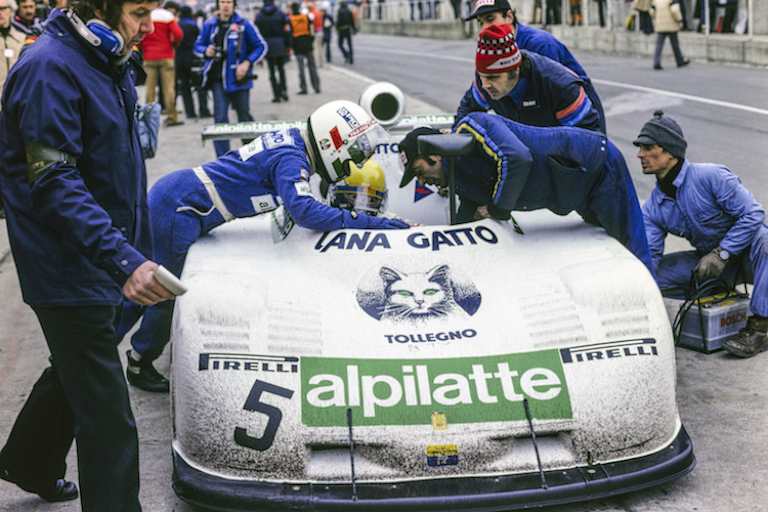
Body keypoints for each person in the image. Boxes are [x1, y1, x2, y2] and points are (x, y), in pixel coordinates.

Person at [0, 2, 175, 509]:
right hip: (67, 267)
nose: (149, 27)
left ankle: (28, 460)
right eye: (140, 12)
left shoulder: (107, 59)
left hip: (107, 258)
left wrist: (128, 253)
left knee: (76, 369)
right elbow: (54, 184)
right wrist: (125, 261)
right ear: (98, 7)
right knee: (108, 417)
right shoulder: (48, 68)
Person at [117, 100, 409, 392]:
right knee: (164, 291)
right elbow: (304, 211)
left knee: (145, 282)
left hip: (178, 196)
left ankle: (103, 341)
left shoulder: (295, 144)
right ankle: (135, 360)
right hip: (180, 207)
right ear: (331, 141)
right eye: (352, 152)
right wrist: (370, 222)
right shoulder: (293, 158)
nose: (352, 162)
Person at [398, 114, 653, 272]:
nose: (422, 181)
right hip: (575, 188)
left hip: (595, 162)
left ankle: (655, 319)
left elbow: (517, 158)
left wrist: (497, 209)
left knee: (632, 249)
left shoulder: (472, 126)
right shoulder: (463, 181)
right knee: (610, 255)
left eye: (418, 172)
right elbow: (464, 226)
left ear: (432, 155)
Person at [635, 111, 767, 358]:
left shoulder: (710, 177)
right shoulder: (654, 206)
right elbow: (650, 254)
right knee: (652, 278)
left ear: (670, 152)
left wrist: (722, 252)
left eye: (648, 147)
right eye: (639, 148)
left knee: (766, 239)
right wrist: (639, 297)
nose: (640, 154)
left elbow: (753, 214)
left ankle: (761, 326)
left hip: (750, 259)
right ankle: (720, 296)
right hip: (714, 269)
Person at [465, 0, 606, 133]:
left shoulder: (540, 45)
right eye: (480, 22)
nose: (484, 28)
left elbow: (551, 95)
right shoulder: (493, 50)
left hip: (579, 115)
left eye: (490, 19)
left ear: (509, 16)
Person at [195, 0, 267, 157]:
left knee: (244, 119)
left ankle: (253, 156)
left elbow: (260, 46)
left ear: (234, 5)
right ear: (218, 5)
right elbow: (198, 45)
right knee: (220, 119)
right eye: (222, 1)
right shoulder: (210, 24)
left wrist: (247, 63)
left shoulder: (244, 24)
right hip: (218, 81)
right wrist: (205, 50)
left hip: (240, 80)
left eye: (228, 2)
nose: (225, 5)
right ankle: (223, 160)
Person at [141, 1, 183, 126]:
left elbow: (140, 34)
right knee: (169, 89)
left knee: (150, 89)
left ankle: (149, 118)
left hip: (149, 56)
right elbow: (178, 34)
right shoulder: (168, 16)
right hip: (166, 55)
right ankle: (171, 116)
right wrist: (174, 45)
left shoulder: (146, 15)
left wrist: (144, 48)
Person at [256, 0, 290, 103]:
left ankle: (276, 95)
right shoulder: (281, 14)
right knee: (281, 70)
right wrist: (288, 45)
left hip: (268, 46)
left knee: (271, 71)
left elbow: (257, 34)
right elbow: (287, 30)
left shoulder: (259, 16)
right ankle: (284, 90)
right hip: (280, 45)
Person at [289, 1, 320, 95]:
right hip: (307, 44)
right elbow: (312, 30)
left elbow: (289, 34)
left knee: (301, 68)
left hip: (297, 46)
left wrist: (291, 46)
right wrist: (311, 40)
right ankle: (316, 87)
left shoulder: (290, 19)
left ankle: (304, 88)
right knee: (312, 67)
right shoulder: (306, 17)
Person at [651, 0, 690, 70]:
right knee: (675, 45)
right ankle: (680, 61)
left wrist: (656, 19)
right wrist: (680, 20)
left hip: (660, 25)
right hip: (671, 24)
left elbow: (652, 11)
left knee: (659, 45)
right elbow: (675, 10)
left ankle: (656, 62)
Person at [176, 5, 199, 118]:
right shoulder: (193, 24)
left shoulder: (177, 24)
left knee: (185, 86)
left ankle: (190, 112)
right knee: (199, 85)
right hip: (192, 57)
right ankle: (203, 109)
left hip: (179, 58)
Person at [0, 0, 23, 101]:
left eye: (3, 9)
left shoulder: (23, 39)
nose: (0, 13)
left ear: (11, 11)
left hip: (18, 102)